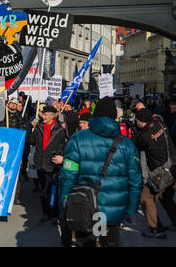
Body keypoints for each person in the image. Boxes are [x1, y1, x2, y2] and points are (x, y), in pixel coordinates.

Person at [59, 97, 143, 247]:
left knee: (85, 243)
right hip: (113, 209)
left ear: (95, 115)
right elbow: (136, 181)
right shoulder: (127, 144)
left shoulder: (78, 138)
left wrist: (64, 204)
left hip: (84, 205)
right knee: (110, 243)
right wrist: (131, 210)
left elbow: (67, 176)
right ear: (114, 117)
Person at [133, 108, 176, 239]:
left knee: (145, 197)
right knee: (166, 197)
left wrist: (134, 131)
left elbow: (135, 144)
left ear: (141, 122)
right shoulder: (160, 125)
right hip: (173, 166)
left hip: (162, 174)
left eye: (136, 121)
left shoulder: (145, 137)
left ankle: (156, 229)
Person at [26, 105, 67, 221]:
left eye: (45, 114)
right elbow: (31, 141)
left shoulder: (59, 130)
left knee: (53, 190)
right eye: (43, 114)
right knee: (43, 190)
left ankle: (55, 213)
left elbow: (63, 146)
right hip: (40, 164)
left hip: (53, 165)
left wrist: (59, 155)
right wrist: (29, 128)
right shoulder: (38, 127)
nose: (42, 116)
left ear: (52, 116)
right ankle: (46, 212)